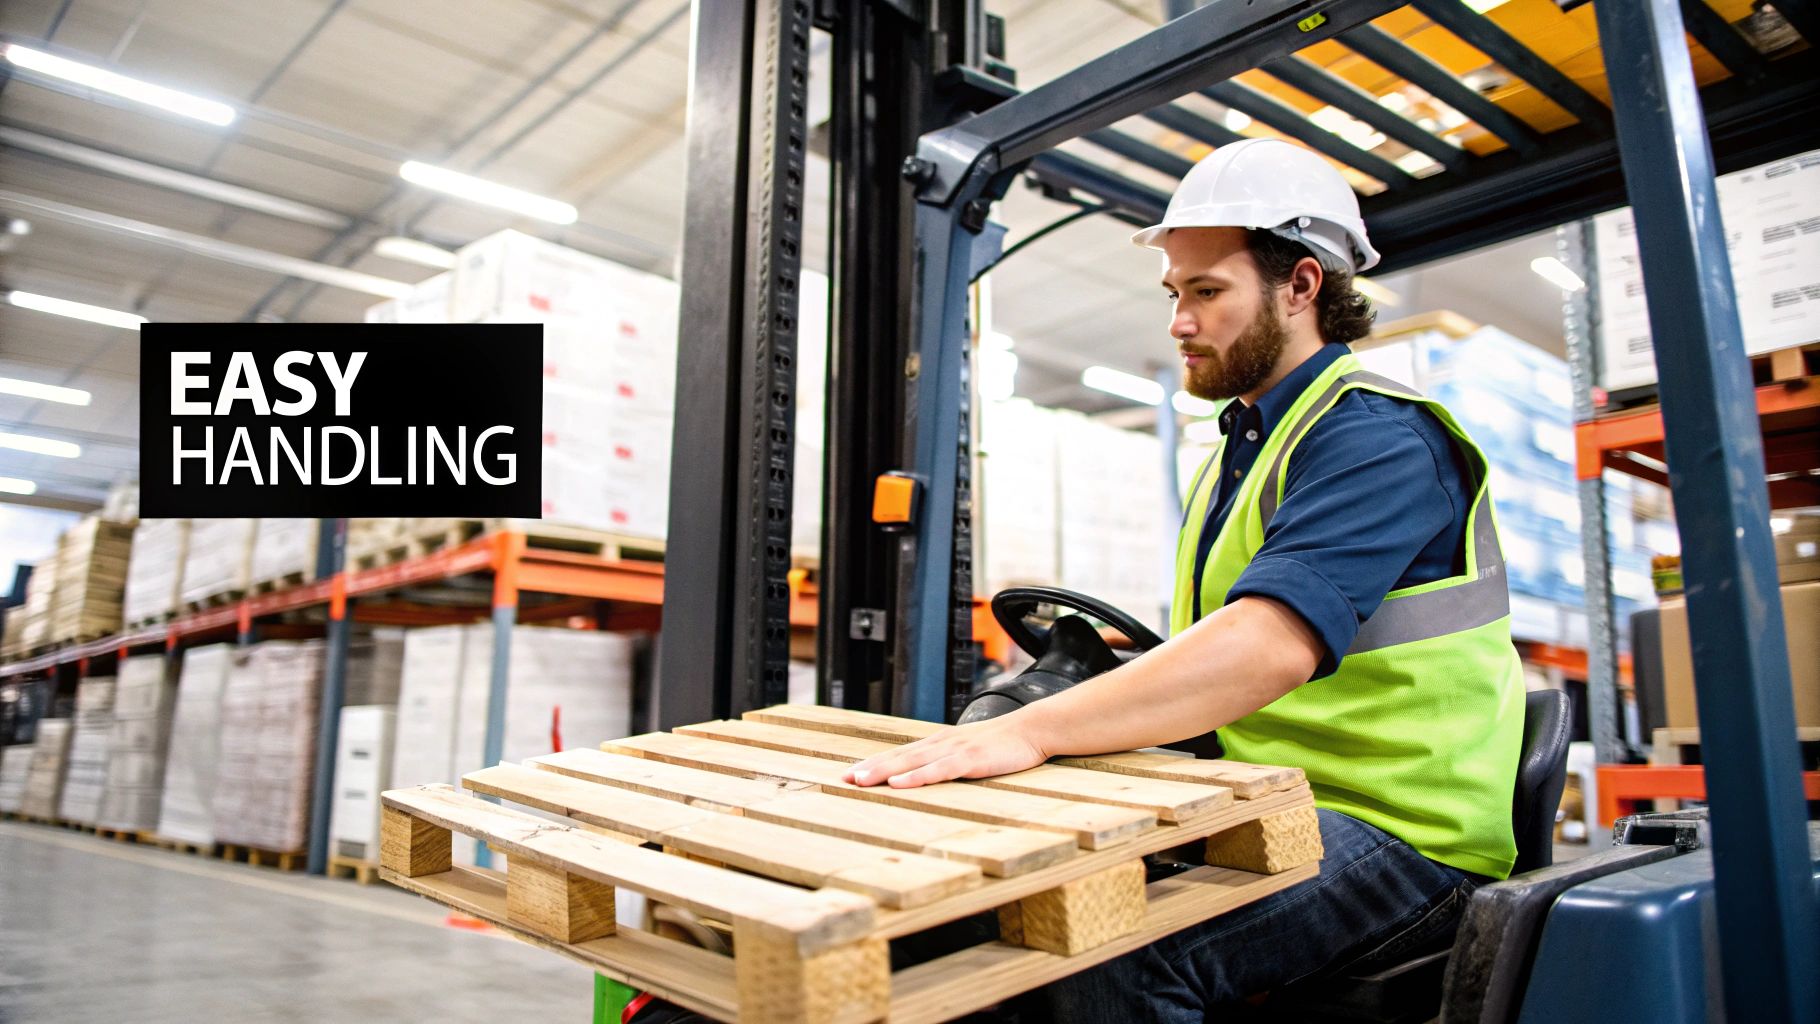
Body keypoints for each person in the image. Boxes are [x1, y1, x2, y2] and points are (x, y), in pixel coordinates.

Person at [844, 137, 1525, 1019]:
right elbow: (1219, 636)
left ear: (1302, 285)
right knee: (1002, 894)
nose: (1178, 321)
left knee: (1114, 956)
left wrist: (1038, 731)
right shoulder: (1238, 448)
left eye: (1207, 292)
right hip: (1259, 794)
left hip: (1403, 830)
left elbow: (1266, 647)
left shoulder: (1378, 440)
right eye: (1175, 293)